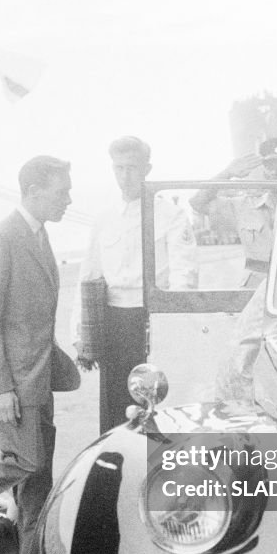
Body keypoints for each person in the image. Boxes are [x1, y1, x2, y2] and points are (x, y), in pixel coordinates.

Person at [0, 155, 80, 554]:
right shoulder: (2, 238)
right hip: (14, 385)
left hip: (40, 380)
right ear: (32, 191)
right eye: (61, 191)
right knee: (23, 462)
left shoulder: (39, 236)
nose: (69, 198)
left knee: (38, 481)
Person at [73, 136, 196, 434]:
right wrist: (80, 333)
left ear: (147, 169)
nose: (124, 176)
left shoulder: (171, 215)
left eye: (131, 167)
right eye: (118, 168)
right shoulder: (104, 217)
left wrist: (173, 331)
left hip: (151, 322)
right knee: (114, 411)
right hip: (113, 323)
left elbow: (184, 276)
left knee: (156, 407)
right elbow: (88, 275)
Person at [190, 136, 277, 287]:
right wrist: (227, 173)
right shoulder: (245, 205)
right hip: (255, 286)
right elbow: (197, 203)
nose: (275, 171)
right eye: (269, 165)